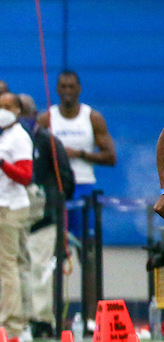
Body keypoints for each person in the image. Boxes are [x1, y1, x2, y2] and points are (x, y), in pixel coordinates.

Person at [0, 92, 35, 342]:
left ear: (18, 110)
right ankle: (13, 323)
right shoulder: (2, 135)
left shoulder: (19, 138)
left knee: (7, 267)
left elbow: (25, 175)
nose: (1, 110)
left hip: (6, 209)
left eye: (7, 106)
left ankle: (11, 325)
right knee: (9, 266)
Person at [38, 70, 117, 235]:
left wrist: (80, 154)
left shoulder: (92, 118)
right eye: (63, 86)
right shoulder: (46, 119)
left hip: (83, 185)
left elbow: (111, 157)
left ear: (79, 89)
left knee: (86, 242)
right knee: (54, 240)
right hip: (56, 187)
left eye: (71, 87)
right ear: (57, 89)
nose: (67, 91)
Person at [21, 94, 74, 337]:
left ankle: (42, 320)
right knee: (18, 268)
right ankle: (20, 318)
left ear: (34, 116)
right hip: (17, 215)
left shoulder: (47, 141)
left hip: (44, 216)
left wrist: (54, 204)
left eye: (24, 114)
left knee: (40, 269)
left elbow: (66, 178)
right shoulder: (7, 140)